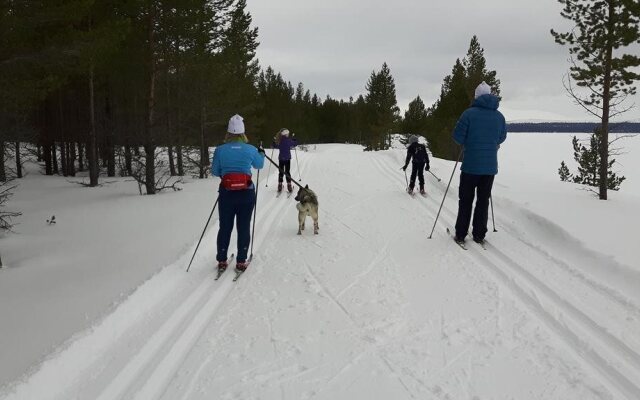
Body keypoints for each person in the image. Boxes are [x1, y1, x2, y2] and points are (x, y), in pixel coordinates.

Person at [452, 81, 507, 244]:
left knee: (466, 200)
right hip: (490, 167)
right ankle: (479, 234)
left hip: (471, 165)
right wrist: (491, 143)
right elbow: (502, 137)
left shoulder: (469, 114)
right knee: (483, 200)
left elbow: (457, 137)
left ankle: (461, 234)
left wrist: (469, 141)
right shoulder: (499, 116)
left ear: (476, 97)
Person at [211, 114, 265, 273]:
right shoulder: (251, 149)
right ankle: (241, 261)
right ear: (243, 133)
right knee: (243, 226)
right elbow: (259, 165)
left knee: (225, 226)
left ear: (228, 133)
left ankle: (222, 259)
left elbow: (215, 171)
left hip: (227, 194)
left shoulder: (220, 150)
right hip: (246, 194)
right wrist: (261, 153)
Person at [272, 128, 297, 193]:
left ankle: (280, 184)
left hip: (281, 159)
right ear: (286, 134)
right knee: (287, 171)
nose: (288, 135)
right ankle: (289, 185)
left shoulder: (279, 141)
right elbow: (295, 144)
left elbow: (274, 145)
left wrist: (274, 142)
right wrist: (294, 139)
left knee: (281, 171)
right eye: (288, 134)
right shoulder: (288, 141)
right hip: (287, 159)